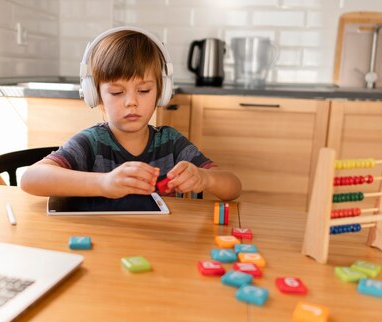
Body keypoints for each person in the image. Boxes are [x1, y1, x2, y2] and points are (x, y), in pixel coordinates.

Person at [20, 27, 241, 201]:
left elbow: (233, 186)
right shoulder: (92, 142)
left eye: (144, 90)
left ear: (161, 93)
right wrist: (104, 184)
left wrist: (205, 178)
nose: (132, 102)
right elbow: (30, 179)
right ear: (96, 96)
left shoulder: (172, 143)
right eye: (116, 92)